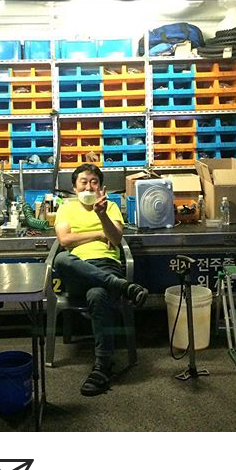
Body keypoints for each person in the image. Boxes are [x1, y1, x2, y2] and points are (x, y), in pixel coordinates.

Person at [54, 164, 148, 396]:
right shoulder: (66, 208)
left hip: (107, 265)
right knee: (62, 259)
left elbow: (115, 239)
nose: (89, 186)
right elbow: (65, 240)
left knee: (97, 294)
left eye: (94, 182)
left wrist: (101, 214)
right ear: (74, 188)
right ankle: (122, 286)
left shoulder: (111, 207)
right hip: (77, 270)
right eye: (83, 182)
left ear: (101, 187)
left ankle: (102, 366)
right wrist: (98, 233)